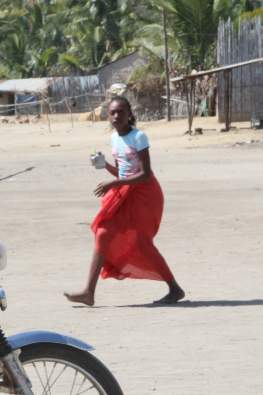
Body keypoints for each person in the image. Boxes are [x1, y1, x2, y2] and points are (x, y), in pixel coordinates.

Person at [64, 97, 185, 306]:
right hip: (124, 191)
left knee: (142, 244)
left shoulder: (139, 136)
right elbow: (122, 172)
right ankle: (88, 292)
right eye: (112, 113)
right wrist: (105, 166)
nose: (116, 116)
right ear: (108, 116)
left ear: (129, 113)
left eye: (121, 112)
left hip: (144, 194)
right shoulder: (114, 138)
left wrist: (112, 184)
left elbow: (145, 174)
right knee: (102, 234)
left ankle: (174, 288)